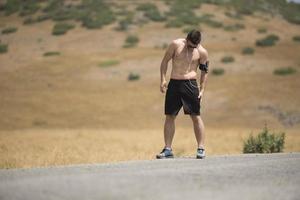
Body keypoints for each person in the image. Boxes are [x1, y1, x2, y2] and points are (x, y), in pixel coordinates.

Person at [156, 30, 209, 159]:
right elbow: (164, 62)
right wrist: (163, 79)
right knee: (170, 116)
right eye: (190, 45)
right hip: (174, 84)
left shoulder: (202, 52)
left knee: (195, 116)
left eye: (194, 46)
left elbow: (204, 72)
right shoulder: (176, 44)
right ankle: (168, 149)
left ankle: (201, 148)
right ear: (186, 39)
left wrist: (202, 89)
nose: (192, 48)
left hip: (190, 84)